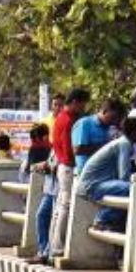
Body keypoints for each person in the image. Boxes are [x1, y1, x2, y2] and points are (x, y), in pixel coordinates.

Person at [77, 117, 136, 232]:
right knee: (131, 188)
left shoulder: (122, 143)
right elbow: (124, 176)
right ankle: (102, 219)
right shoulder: (124, 144)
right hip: (93, 185)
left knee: (130, 188)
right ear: (133, 132)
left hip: (94, 184)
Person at [49, 89, 90, 262]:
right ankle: (58, 247)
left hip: (62, 166)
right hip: (67, 166)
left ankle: (54, 245)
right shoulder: (67, 121)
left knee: (60, 207)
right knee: (65, 206)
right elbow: (68, 148)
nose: (83, 107)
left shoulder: (62, 118)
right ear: (74, 102)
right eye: (82, 104)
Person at [24, 125, 57, 264]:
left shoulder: (50, 147)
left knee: (49, 219)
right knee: (41, 217)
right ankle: (43, 250)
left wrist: (42, 166)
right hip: (49, 188)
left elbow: (52, 166)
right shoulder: (51, 148)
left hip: (56, 189)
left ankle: (46, 252)